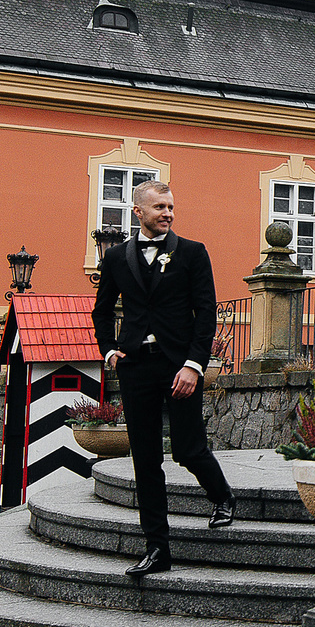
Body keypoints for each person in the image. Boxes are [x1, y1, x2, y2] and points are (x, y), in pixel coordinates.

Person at [91, 179, 236, 577]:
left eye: (170, 207)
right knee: (145, 459)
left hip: (180, 364)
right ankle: (157, 548)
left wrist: (194, 365)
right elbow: (102, 310)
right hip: (136, 366)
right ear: (138, 211)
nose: (167, 214)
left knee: (188, 449)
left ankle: (223, 496)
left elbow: (205, 313)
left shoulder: (192, 252)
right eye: (159, 207)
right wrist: (110, 350)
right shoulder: (116, 257)